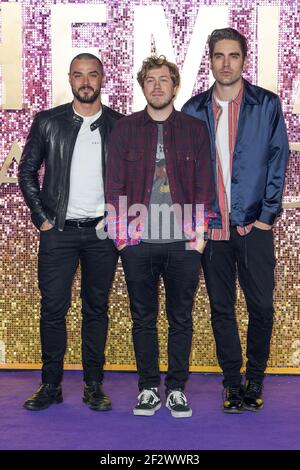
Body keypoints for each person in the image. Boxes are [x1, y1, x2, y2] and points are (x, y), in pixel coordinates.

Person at [182, 28, 289, 413]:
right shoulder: (193, 110)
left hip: (253, 228)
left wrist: (265, 218)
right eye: (218, 56)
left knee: (261, 307)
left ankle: (255, 381)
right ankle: (232, 383)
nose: (226, 63)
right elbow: (183, 171)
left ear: (245, 60)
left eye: (234, 56)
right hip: (212, 231)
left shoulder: (266, 105)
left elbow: (278, 160)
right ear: (209, 60)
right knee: (221, 309)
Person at [106, 55, 216, 418]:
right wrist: (121, 238)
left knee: (181, 318)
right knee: (143, 318)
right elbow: (114, 185)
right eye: (150, 79)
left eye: (164, 79)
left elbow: (205, 185)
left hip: (184, 243)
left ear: (174, 85)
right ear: (143, 86)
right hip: (138, 244)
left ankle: (178, 389)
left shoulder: (193, 130)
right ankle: (149, 387)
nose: (157, 85)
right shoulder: (125, 129)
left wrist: (199, 237)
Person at [18, 53, 123, 411]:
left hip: (101, 235)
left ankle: (94, 385)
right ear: (69, 79)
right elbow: (27, 171)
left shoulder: (119, 125)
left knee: (96, 309)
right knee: (52, 310)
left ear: (103, 78)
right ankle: (51, 385)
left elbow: (133, 182)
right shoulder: (48, 121)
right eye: (79, 75)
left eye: (92, 74)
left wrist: (118, 218)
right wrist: (42, 218)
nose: (86, 82)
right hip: (58, 232)